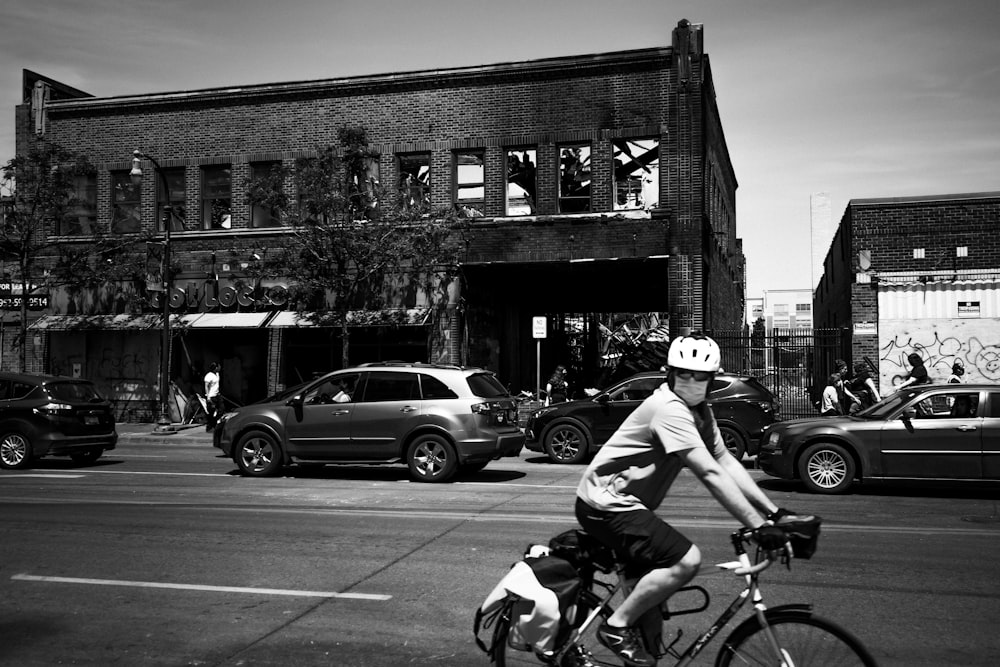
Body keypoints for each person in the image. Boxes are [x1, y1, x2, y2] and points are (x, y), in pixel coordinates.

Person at [575, 334, 794, 667]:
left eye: (700, 376)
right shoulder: (669, 409)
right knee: (686, 560)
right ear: (670, 373)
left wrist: (774, 514)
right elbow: (708, 473)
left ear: (711, 379)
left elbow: (724, 460)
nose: (690, 381)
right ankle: (616, 627)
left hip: (627, 505)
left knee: (650, 607)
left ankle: (644, 653)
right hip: (605, 504)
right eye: (683, 374)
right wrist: (758, 526)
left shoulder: (700, 411)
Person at [204, 362, 222, 431]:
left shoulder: (217, 374)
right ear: (216, 368)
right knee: (211, 411)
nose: (220, 368)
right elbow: (206, 386)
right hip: (211, 396)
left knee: (221, 409)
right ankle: (210, 426)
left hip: (217, 395)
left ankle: (216, 424)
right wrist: (208, 396)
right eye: (219, 366)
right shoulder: (209, 376)